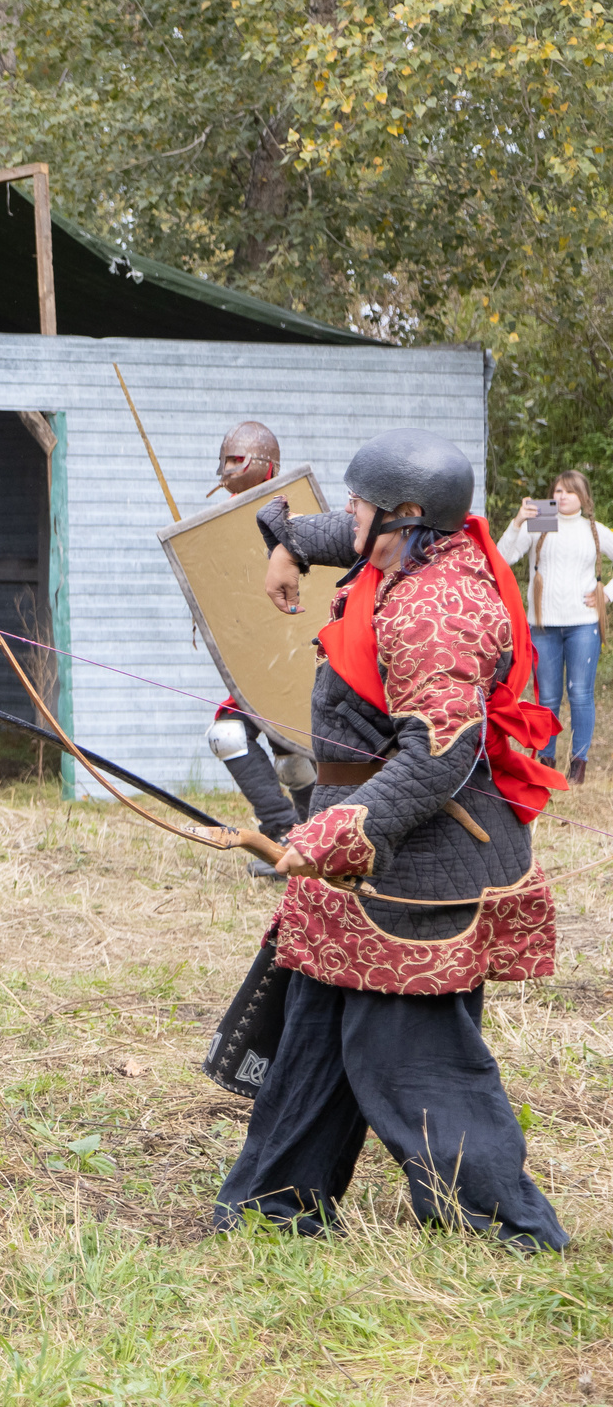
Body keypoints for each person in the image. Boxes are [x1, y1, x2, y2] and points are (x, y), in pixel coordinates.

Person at [228, 429, 565, 1249]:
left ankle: (504, 1226)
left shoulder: (437, 609)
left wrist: (338, 832)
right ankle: (279, 1203)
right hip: (373, 859)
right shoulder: (411, 546)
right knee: (315, 1025)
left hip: (419, 862)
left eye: (359, 503)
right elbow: (334, 533)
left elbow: (440, 756)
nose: (346, 515)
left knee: (409, 1054)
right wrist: (283, 544)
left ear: (408, 518)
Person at [200, 417, 314, 875]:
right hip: (255, 660)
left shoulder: (297, 510)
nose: (228, 468)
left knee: (294, 754)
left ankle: (313, 835)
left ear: (263, 463)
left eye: (236, 459)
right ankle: (282, 830)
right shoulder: (216, 525)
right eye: (224, 460)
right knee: (229, 733)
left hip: (297, 652)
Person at [499, 471, 613, 785]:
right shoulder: (544, 519)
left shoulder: (593, 530)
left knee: (579, 694)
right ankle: (545, 760)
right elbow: (502, 557)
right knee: (547, 697)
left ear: (584, 497)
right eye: (559, 490)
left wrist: (606, 593)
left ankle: (578, 764)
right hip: (544, 625)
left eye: (571, 492)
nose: (563, 496)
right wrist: (519, 521)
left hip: (583, 625)